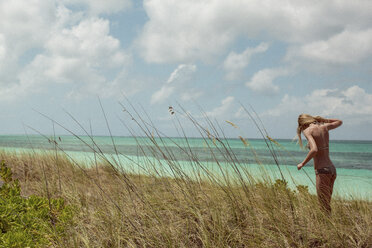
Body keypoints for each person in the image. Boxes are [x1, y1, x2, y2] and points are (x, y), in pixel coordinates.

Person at [296, 114, 342, 214]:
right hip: (332, 169)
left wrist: (302, 163)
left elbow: (314, 150)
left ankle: (327, 227)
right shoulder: (324, 127)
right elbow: (339, 121)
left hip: (322, 171)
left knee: (323, 206)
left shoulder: (307, 131)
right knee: (327, 204)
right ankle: (330, 226)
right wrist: (324, 120)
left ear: (302, 124)